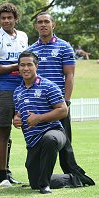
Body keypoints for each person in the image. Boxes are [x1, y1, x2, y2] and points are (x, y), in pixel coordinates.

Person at [13, 50, 94, 194]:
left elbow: (63, 110)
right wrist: (16, 119)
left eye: (29, 65)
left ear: (36, 66)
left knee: (49, 139)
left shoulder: (48, 86)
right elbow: (20, 114)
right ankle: (73, 178)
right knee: (34, 182)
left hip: (55, 132)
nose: (26, 68)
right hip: (33, 141)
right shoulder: (17, 92)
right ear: (18, 67)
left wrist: (39, 118)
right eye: (22, 65)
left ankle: (45, 186)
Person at [27, 12, 95, 182]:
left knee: (64, 142)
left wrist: (66, 101)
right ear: (36, 26)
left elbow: (69, 75)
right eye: (40, 22)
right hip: (38, 104)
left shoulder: (64, 47)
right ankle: (39, 175)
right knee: (37, 139)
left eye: (46, 22)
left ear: (53, 25)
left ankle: (72, 174)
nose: (43, 25)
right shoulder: (31, 50)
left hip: (58, 103)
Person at [0, 2, 27, 186]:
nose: (6, 21)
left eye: (9, 17)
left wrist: (24, 69)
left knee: (31, 127)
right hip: (3, 88)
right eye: (3, 18)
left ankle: (35, 171)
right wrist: (18, 66)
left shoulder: (23, 37)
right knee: (4, 131)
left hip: (24, 87)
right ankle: (3, 176)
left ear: (15, 18)